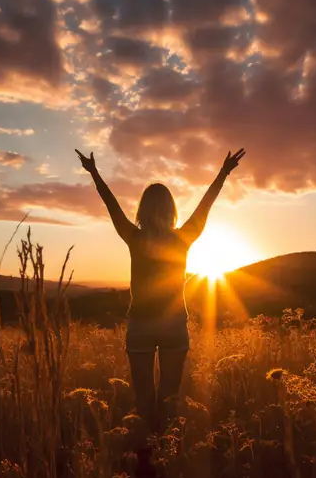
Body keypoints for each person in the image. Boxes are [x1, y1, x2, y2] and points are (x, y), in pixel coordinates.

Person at [75, 147, 246, 439]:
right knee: (169, 398)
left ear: (142, 210)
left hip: (140, 325)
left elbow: (111, 205)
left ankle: (144, 456)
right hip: (174, 326)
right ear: (171, 211)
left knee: (144, 400)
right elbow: (206, 205)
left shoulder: (134, 237)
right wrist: (223, 172)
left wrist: (94, 172)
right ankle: (165, 452)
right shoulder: (183, 237)